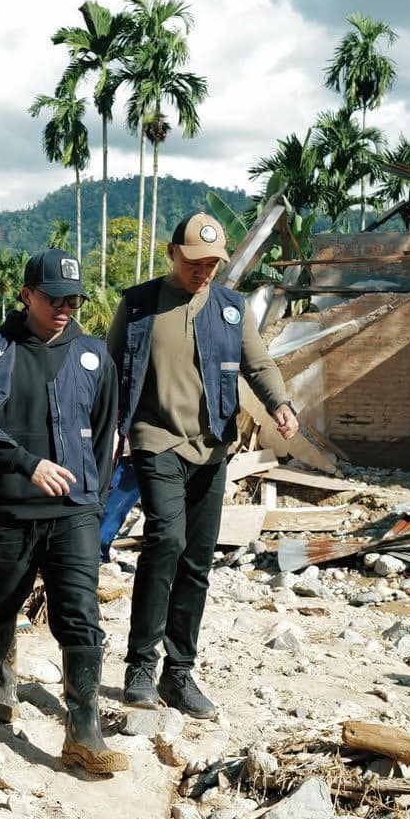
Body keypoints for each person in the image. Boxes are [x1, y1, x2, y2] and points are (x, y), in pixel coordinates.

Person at [108, 212, 299, 718]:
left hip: (212, 446)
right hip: (155, 438)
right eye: (195, 263)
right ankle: (139, 665)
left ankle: (179, 672)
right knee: (165, 540)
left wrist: (279, 403)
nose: (204, 272)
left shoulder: (231, 310)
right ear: (174, 253)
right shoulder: (139, 303)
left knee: (196, 560)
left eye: (213, 263)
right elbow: (109, 369)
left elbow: (258, 364)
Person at [0, 248, 128, 776]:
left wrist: (94, 505)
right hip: (10, 505)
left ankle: (83, 730)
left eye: (73, 300)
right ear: (26, 294)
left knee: (80, 615)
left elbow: (105, 436)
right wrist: (26, 464)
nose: (64, 308)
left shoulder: (95, 356)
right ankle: (3, 677)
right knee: (1, 597)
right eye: (53, 297)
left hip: (73, 510)